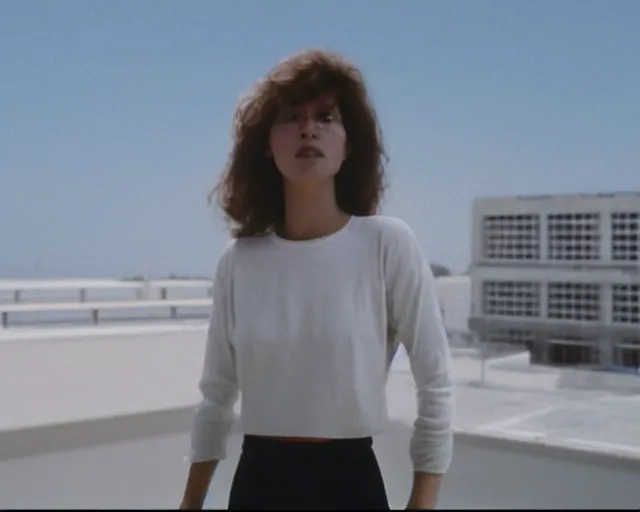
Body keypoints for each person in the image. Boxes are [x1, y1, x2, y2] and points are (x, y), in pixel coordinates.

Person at [179, 48, 454, 510]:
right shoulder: (239, 262)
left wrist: (422, 502)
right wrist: (190, 504)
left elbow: (437, 383)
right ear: (267, 143)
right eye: (292, 116)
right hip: (257, 487)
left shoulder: (386, 244)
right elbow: (216, 397)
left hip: (350, 486)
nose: (309, 128)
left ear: (349, 145)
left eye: (326, 117)